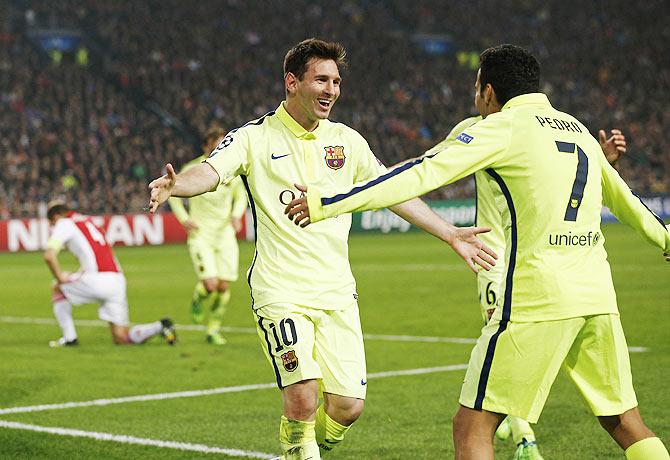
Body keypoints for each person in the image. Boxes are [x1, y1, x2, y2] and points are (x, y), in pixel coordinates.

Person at [285, 44, 670, 460]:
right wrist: (666, 240)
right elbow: (627, 200)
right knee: (625, 421)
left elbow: (421, 172)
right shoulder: (576, 129)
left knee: (472, 426)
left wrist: (329, 201)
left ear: (489, 91)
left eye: (475, 88)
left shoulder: (500, 128)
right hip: (598, 296)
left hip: (537, 296)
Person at [148, 38, 497, 460]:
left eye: (336, 81)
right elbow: (209, 172)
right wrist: (175, 186)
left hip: (336, 291)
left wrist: (450, 232)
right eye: (321, 80)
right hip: (280, 289)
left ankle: (303, 450)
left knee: (348, 408)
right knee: (302, 395)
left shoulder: (347, 140)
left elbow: (393, 190)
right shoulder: (254, 137)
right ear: (292, 82)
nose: (331, 90)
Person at [434, 117, 627, 460]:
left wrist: (601, 161)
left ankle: (518, 432)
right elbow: (433, 163)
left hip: (533, 259)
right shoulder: (476, 129)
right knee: (508, 345)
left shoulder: (534, 128)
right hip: (494, 255)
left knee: (510, 350)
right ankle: (524, 437)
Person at [44, 200, 177, 347]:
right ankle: (160, 326)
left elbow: (49, 256)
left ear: (56, 216)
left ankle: (70, 339)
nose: (52, 227)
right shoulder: (90, 221)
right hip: (117, 281)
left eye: (51, 223)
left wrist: (60, 278)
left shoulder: (65, 223)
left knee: (57, 287)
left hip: (97, 280)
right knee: (122, 337)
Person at [168, 126, 248, 345]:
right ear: (206, 145)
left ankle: (213, 330)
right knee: (210, 285)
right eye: (216, 145)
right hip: (201, 234)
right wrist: (185, 219)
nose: (221, 149)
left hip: (225, 234)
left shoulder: (231, 168)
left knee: (223, 286)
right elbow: (174, 195)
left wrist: (236, 215)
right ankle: (198, 298)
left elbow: (240, 196)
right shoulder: (192, 168)